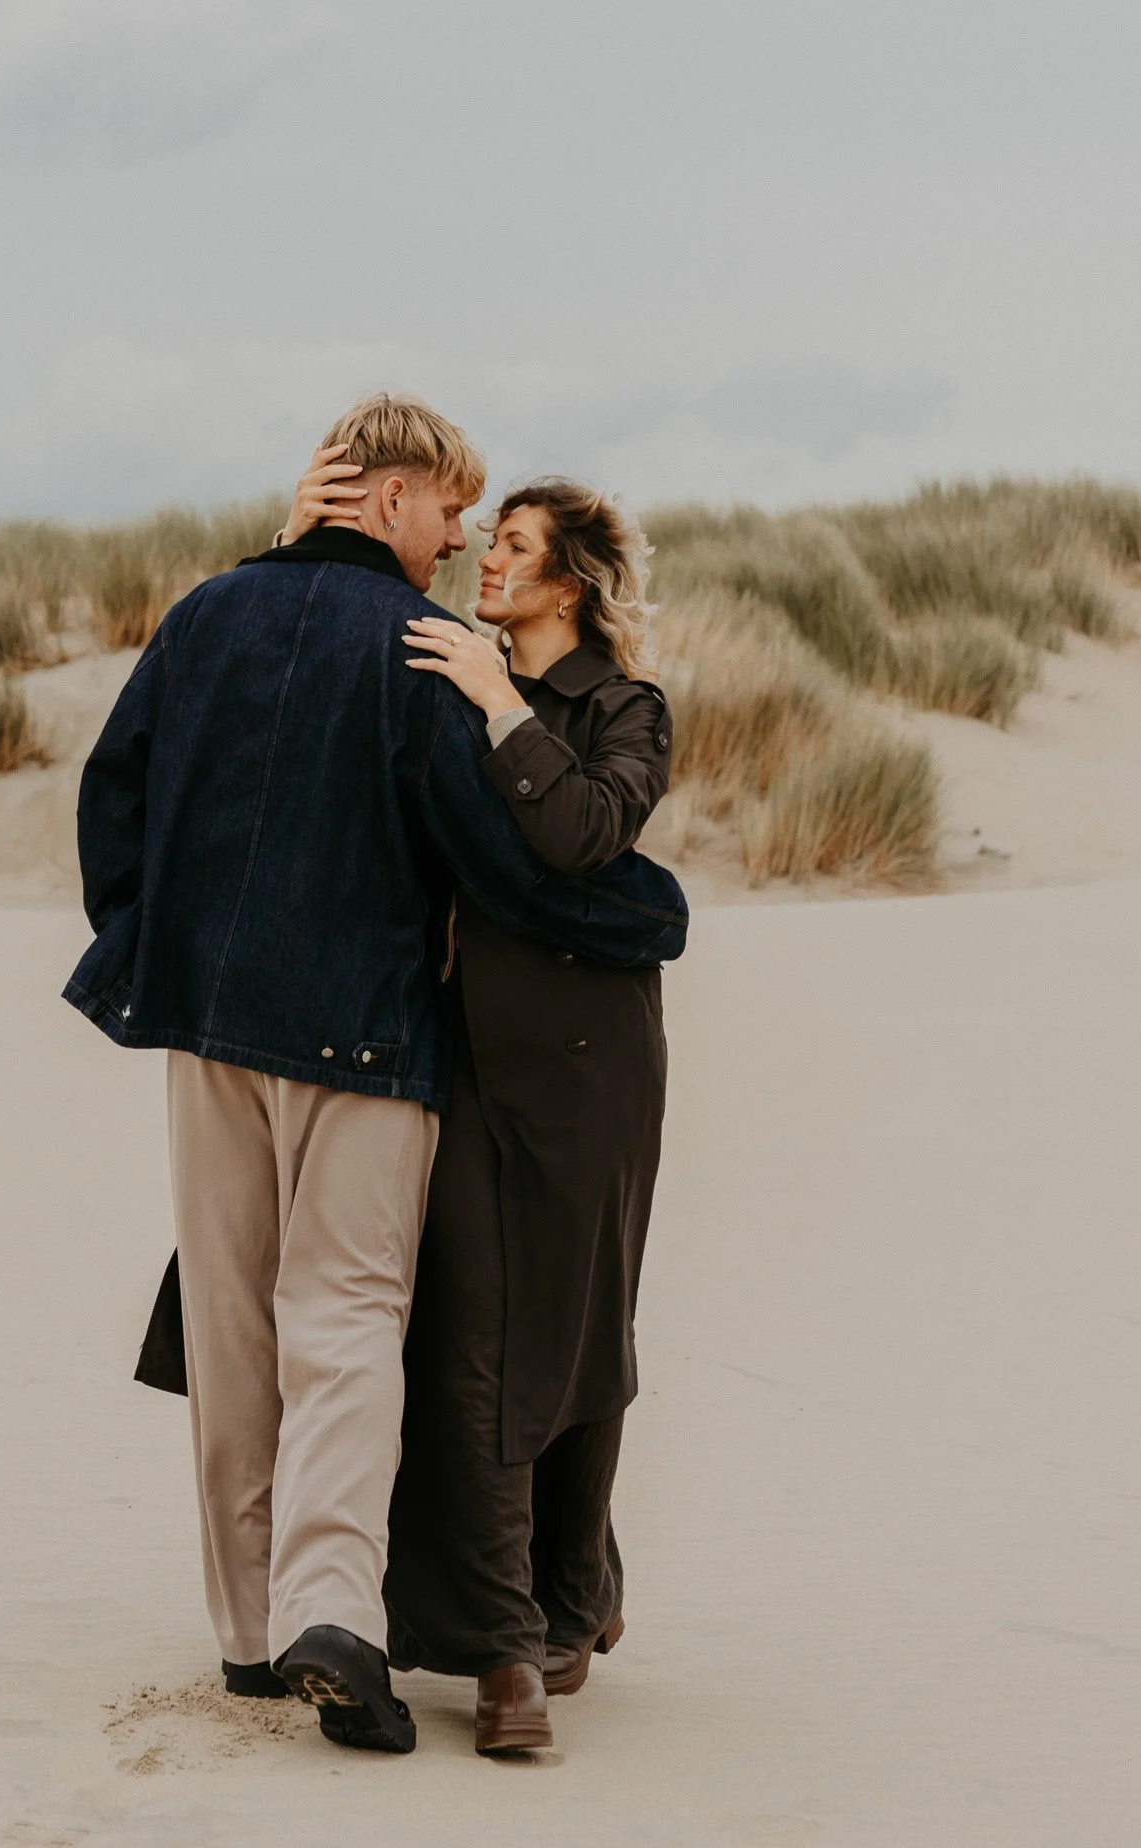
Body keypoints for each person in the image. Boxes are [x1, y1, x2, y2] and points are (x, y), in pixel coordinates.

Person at [67, 396, 688, 1760]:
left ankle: (241, 1638)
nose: (458, 537)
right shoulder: (421, 647)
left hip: (207, 1034)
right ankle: (331, 1618)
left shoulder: (203, 613)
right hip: (362, 1039)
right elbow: (498, 857)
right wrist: (645, 920)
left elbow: (115, 797)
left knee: (233, 1325)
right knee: (342, 1321)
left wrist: (153, 955)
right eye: (452, 510)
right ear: (392, 499)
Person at [275, 454, 674, 1756]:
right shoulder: (444, 667)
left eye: (513, 546)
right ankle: (504, 1647)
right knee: (473, 1337)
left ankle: (578, 1592)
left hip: (590, 1067)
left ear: (570, 578)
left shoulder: (626, 706)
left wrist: (505, 709)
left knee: (589, 1326)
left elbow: (584, 840)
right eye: (484, 541)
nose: (486, 562)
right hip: (451, 1056)